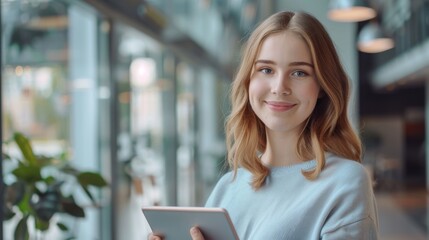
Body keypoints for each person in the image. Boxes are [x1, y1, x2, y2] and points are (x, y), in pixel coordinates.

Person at [150, 10, 379, 240]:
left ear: (322, 86)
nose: (280, 87)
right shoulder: (227, 187)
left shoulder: (345, 183)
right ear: (249, 81)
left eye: (299, 72)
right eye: (266, 70)